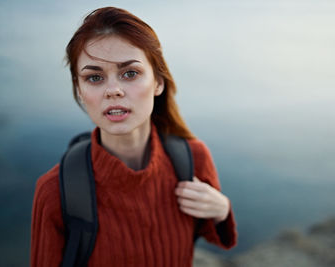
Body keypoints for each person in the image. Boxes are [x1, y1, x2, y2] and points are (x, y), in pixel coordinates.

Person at [31, 6, 237, 267]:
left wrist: (221, 210)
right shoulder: (53, 192)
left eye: (130, 73)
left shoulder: (192, 158)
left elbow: (218, 238)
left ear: (158, 82)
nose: (113, 90)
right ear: (79, 90)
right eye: (94, 77)